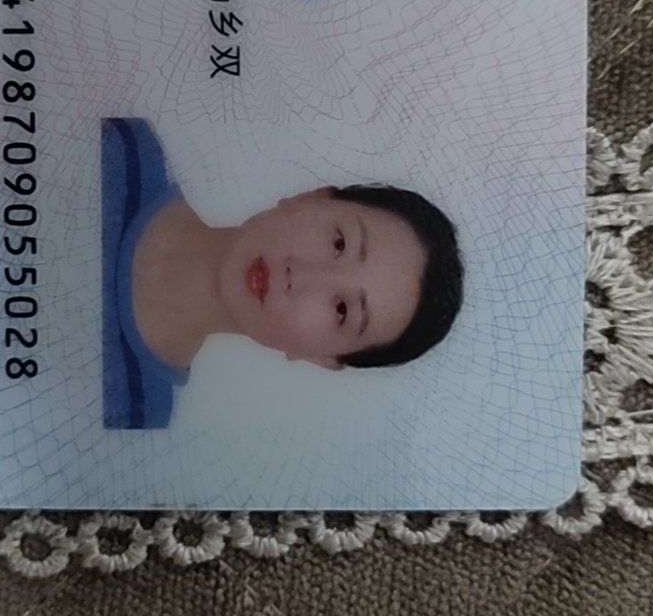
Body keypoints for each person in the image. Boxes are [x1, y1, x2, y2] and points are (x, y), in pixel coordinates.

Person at [102, 118, 463, 429]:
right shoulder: (118, 147)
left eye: (341, 310)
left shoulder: (134, 412)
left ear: (321, 358)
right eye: (339, 243)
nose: (301, 275)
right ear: (310, 197)